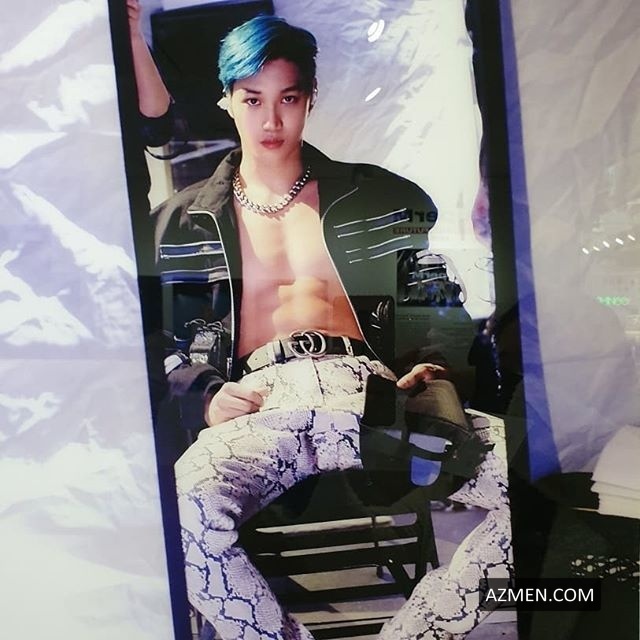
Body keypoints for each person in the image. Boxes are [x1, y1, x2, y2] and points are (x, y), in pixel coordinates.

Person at [151, 15, 510, 640]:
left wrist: (433, 370)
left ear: (310, 99)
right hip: (260, 403)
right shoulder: (180, 224)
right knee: (174, 515)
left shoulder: (380, 197)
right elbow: (155, 343)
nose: (271, 120)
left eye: (288, 99)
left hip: (374, 393)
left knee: (534, 483)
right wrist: (203, 395)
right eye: (253, 100)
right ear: (226, 100)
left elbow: (433, 302)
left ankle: (415, 633)